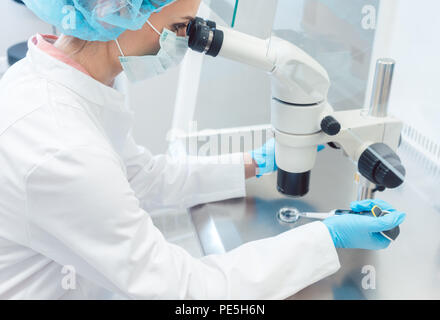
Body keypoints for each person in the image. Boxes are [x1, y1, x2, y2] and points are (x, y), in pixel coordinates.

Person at [0, 0, 405, 299]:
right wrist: (327, 237)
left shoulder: (59, 79)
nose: (184, 41)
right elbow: (187, 293)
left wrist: (254, 162)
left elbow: (141, 177)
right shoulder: (60, 146)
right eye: (181, 26)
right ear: (119, 13)